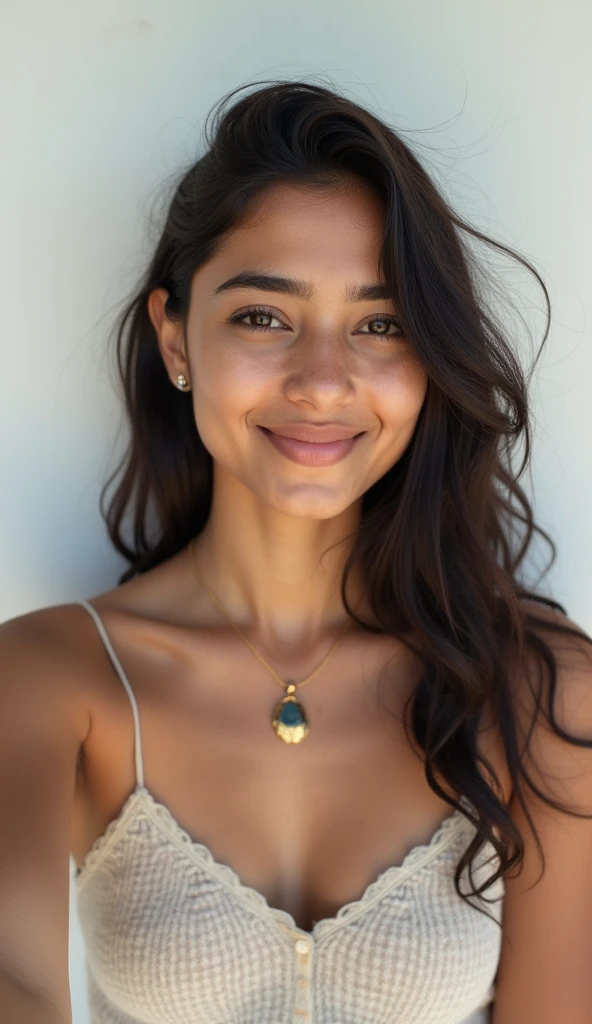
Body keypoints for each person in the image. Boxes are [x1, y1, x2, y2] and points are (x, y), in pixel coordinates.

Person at [1, 78, 591, 1024]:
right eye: (264, 317)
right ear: (175, 335)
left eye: (381, 324)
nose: (322, 381)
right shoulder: (48, 677)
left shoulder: (539, 692)